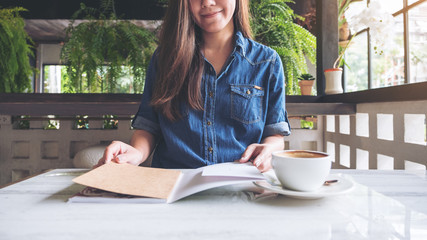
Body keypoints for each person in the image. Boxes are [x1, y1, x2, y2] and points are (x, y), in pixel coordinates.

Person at [97, 0, 291, 172]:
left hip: (239, 188)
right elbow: (149, 127)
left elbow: (274, 135)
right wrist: (136, 154)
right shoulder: (164, 59)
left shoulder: (267, 62)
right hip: (172, 185)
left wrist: (269, 151)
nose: (206, 2)